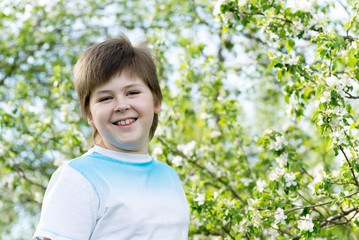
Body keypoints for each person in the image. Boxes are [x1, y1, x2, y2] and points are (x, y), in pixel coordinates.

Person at [33, 34, 190, 240]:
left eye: (132, 92)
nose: (122, 105)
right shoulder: (78, 177)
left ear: (156, 101)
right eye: (106, 98)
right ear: (89, 114)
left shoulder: (169, 177)